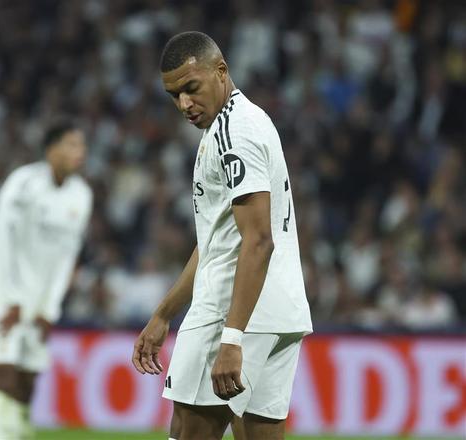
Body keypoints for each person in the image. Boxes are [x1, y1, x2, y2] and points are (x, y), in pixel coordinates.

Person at [132, 31, 313, 440]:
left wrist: (232, 337)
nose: (184, 104)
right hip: (278, 312)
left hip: (232, 312)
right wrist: (165, 313)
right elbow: (218, 241)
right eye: (174, 95)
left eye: (191, 88)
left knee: (188, 431)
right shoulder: (246, 121)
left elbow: (259, 240)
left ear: (221, 71)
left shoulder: (234, 133)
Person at [0, 120, 93, 440]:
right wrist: (12, 299)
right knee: (3, 373)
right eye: (71, 145)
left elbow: (68, 257)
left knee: (27, 381)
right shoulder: (23, 184)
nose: (80, 152)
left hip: (38, 301)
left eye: (82, 146)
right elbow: (3, 242)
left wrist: (49, 308)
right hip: (1, 293)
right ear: (51, 150)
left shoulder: (81, 195)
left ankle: (18, 433)